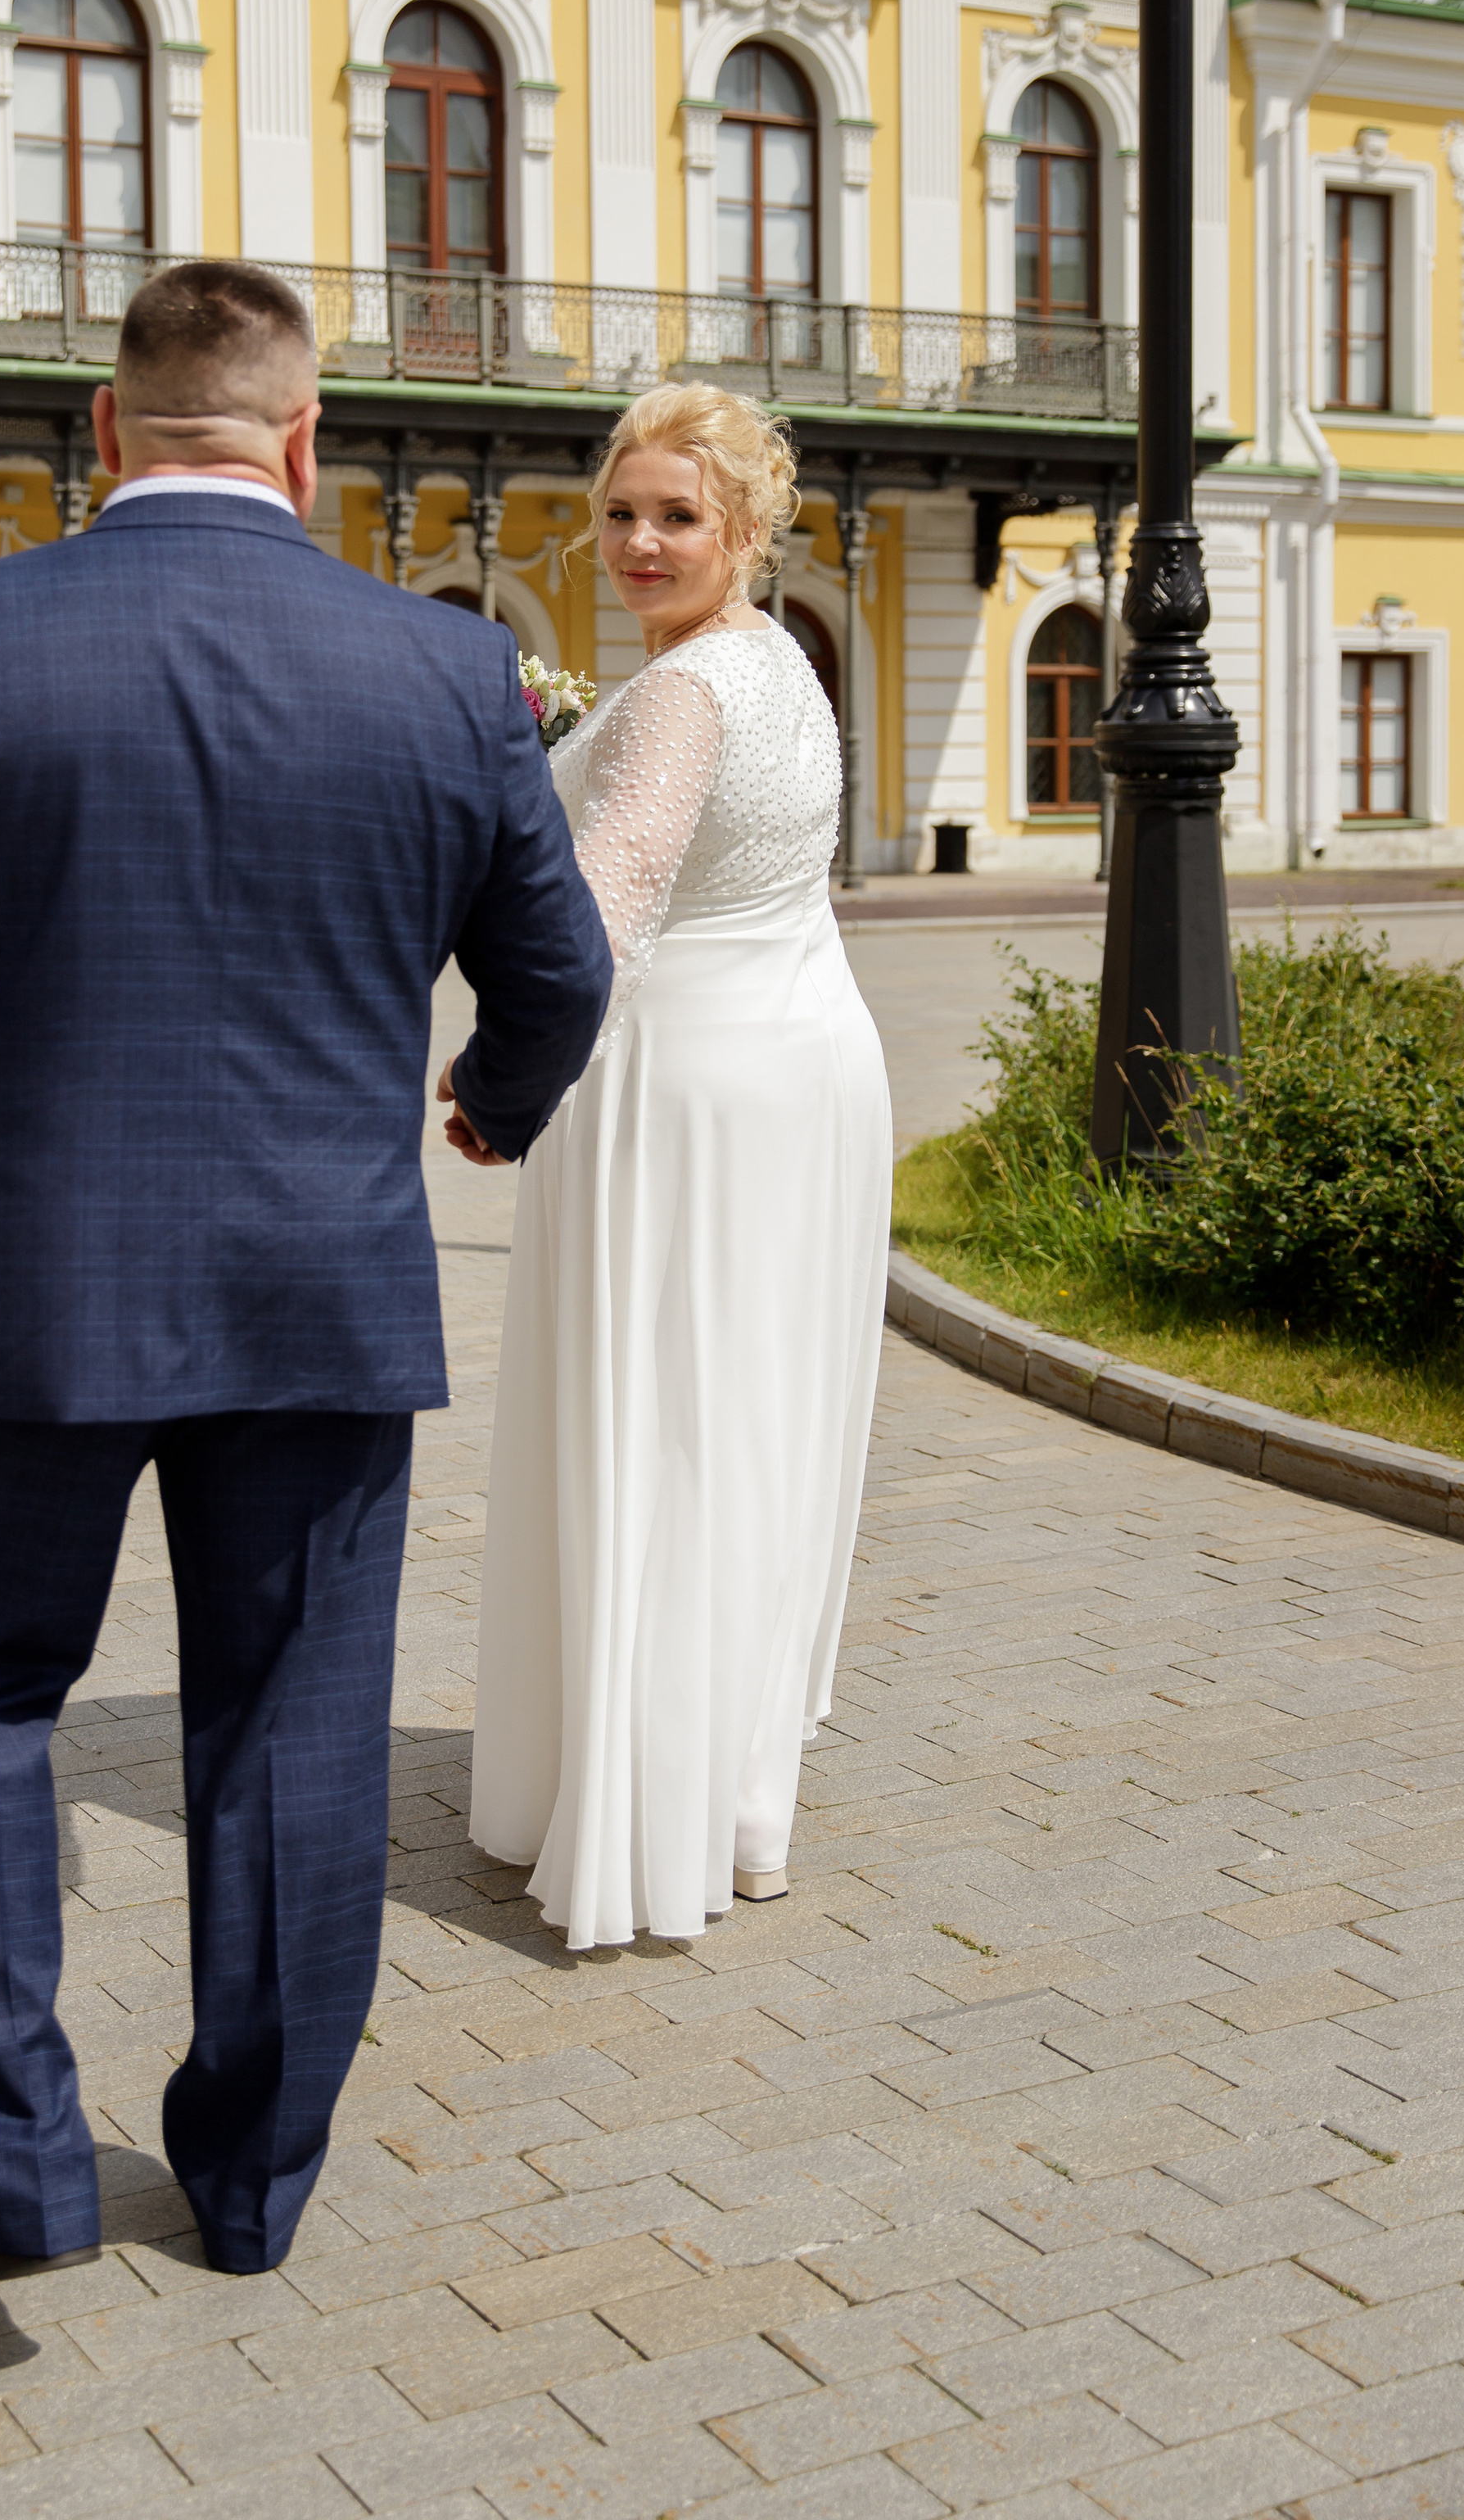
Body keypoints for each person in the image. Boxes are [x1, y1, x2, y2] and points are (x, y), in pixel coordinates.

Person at [0, 261, 610, 2295]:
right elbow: (560, 968)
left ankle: (10, 2174)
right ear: (306, 444)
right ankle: (248, 2190)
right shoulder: (442, 671)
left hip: (19, 1295)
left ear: (109, 433)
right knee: (297, 1729)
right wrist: (485, 1104)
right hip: (323, 1294)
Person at [465, 385, 891, 1951]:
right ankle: (733, 1801)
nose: (639, 542)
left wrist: (484, 1069)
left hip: (683, 1094)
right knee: (748, 1426)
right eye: (623, 511)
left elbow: (590, 929)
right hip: (806, 1074)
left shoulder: (680, 698)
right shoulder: (781, 665)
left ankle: (653, 1813)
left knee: (667, 1429)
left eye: (678, 517)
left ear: (747, 528)